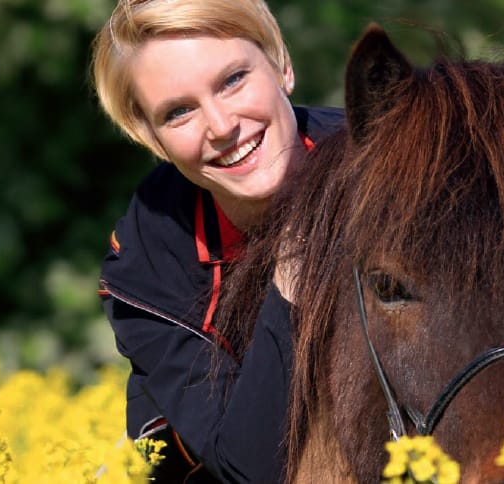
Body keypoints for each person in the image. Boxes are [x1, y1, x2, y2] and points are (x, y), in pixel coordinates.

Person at [90, 0, 343, 481]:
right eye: (180, 112)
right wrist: (291, 274)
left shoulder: (399, 166)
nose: (223, 126)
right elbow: (253, 469)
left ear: (283, 67)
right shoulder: (148, 269)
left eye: (232, 80)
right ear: (152, 140)